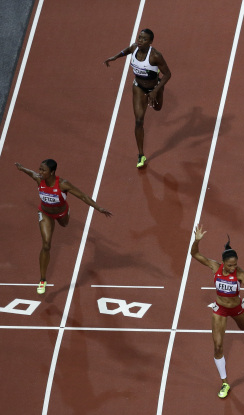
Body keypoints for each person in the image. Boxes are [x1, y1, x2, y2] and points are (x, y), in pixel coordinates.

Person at [15, 160, 112, 294]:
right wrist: (22, 168)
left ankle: (66, 214)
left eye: (43, 170)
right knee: (46, 245)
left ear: (52, 172)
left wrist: (99, 208)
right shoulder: (39, 179)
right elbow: (30, 173)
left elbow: (83, 196)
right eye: (40, 169)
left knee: (65, 224)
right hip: (45, 213)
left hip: (61, 213)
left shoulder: (63, 184)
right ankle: (42, 280)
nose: (40, 172)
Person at [190, 225, 244, 399]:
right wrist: (197, 240)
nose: (233, 268)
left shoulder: (240, 274)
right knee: (218, 345)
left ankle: (240, 307)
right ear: (223, 263)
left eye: (235, 265)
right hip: (220, 308)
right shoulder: (214, 267)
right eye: (229, 265)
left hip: (236, 308)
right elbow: (195, 255)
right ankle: (225, 382)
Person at [103, 28, 171, 168]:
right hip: (138, 86)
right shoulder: (135, 47)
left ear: (151, 42)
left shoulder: (155, 56)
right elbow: (127, 50)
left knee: (158, 108)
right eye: (139, 37)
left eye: (144, 39)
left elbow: (168, 74)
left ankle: (158, 88)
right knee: (139, 121)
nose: (140, 41)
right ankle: (141, 154)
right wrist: (115, 57)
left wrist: (156, 91)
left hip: (154, 87)